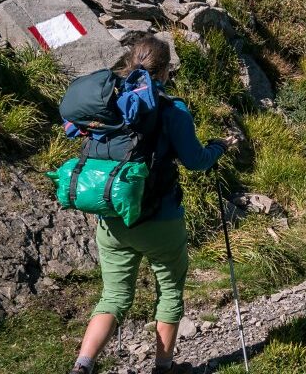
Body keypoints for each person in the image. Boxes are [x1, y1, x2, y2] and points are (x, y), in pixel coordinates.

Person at [70, 36, 238, 374]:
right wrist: (220, 147)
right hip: (160, 217)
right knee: (170, 289)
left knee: (114, 296)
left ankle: (82, 366)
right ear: (164, 71)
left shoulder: (108, 103)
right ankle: (163, 368)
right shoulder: (172, 109)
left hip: (112, 214)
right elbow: (196, 161)